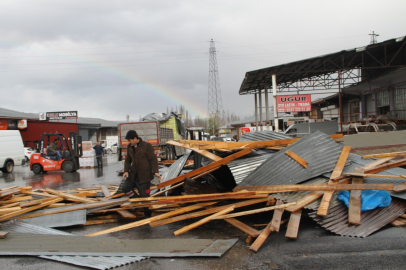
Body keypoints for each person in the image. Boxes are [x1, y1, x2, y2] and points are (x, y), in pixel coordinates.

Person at [122, 130, 161, 217]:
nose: (128, 142)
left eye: (130, 140)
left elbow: (153, 159)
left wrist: (156, 172)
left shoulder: (146, 146)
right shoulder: (129, 147)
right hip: (133, 175)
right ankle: (137, 200)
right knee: (125, 188)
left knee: (145, 197)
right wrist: (126, 171)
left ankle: (148, 216)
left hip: (144, 176)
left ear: (135, 138)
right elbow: (128, 160)